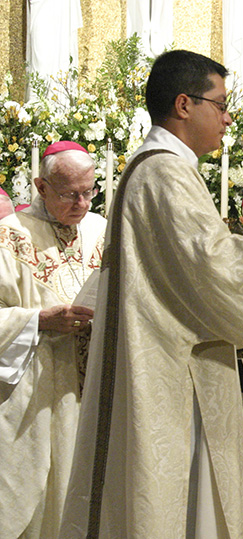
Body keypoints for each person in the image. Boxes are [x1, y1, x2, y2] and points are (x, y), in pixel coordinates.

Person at [59, 50, 243, 538]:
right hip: (174, 379)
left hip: (174, 365)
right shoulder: (164, 172)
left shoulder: (158, 169)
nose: (226, 118)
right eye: (219, 105)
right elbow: (214, 271)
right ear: (184, 104)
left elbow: (195, 272)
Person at [0, 141, 104, 537]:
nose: (81, 203)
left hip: (94, 389)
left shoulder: (102, 230)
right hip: (38, 400)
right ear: (40, 187)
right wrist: (37, 320)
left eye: (88, 191)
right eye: (68, 194)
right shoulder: (9, 237)